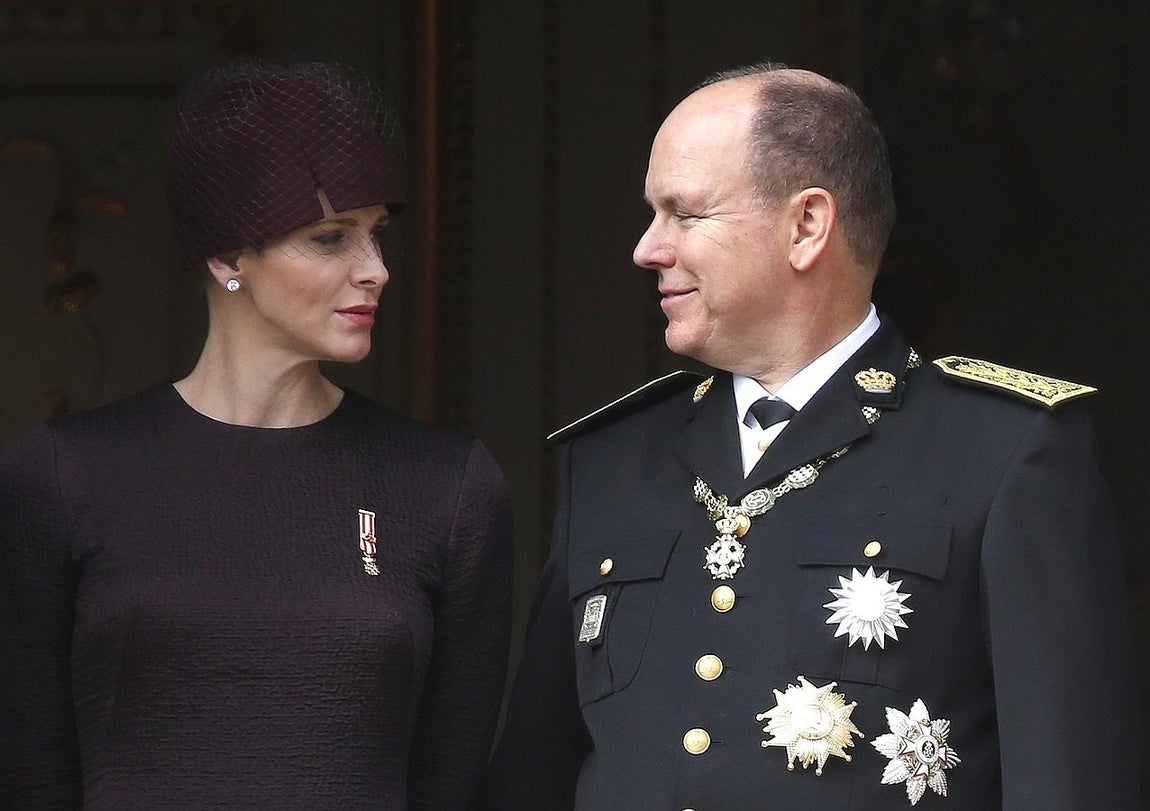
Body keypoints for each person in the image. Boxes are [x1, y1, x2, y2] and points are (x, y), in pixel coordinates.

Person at [480, 64, 1138, 809]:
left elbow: (1073, 782)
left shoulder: (1006, 451)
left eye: (684, 214)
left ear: (807, 226)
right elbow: (532, 777)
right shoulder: (606, 462)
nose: (647, 248)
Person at [0, 60, 512, 809]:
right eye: (332, 237)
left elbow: (451, 784)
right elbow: (30, 775)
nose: (375, 270)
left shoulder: (448, 485)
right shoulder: (61, 474)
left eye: (377, 235)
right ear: (227, 254)